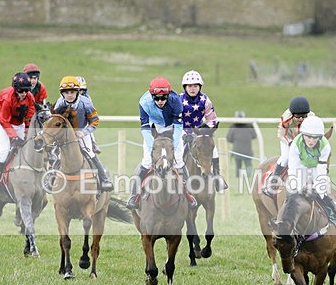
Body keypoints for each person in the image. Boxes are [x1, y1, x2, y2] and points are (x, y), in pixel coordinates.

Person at [126, 76, 197, 210]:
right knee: (146, 161)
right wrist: (151, 144)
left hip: (173, 128)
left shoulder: (176, 102)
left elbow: (178, 126)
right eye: (156, 98)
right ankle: (134, 196)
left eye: (163, 98)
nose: (160, 101)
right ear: (152, 96)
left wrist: (175, 146)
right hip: (154, 128)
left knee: (179, 162)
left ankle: (189, 194)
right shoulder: (144, 102)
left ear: (168, 95)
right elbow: (145, 127)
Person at [286, 115, 336, 233]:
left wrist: (317, 188)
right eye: (308, 137)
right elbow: (294, 168)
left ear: (320, 137)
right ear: (303, 134)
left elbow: (321, 169)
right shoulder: (296, 144)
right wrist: (299, 189)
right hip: (301, 166)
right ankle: (284, 224)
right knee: (293, 193)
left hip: (317, 167)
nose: (311, 141)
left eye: (315, 138)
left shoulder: (325, 145)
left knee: (322, 193)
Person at [52, 75, 113, 191]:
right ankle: (51, 178)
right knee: (58, 155)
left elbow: (95, 121)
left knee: (90, 153)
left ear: (77, 92)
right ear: (62, 93)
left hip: (82, 132)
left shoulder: (86, 103)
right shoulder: (59, 104)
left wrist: (83, 133)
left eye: (72, 92)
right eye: (66, 92)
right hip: (65, 136)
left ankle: (104, 179)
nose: (69, 95)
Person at [179, 69, 227, 191]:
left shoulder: (205, 100)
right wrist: (184, 134)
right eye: (189, 86)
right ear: (185, 87)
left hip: (200, 133)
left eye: (195, 86)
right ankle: (176, 179)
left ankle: (217, 177)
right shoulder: (178, 100)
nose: (192, 88)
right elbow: (175, 119)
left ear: (200, 86)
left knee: (213, 150)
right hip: (181, 132)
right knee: (176, 152)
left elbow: (212, 119)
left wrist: (208, 130)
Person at [0, 72, 35, 192]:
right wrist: (14, 137)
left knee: (25, 147)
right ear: (15, 89)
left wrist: (26, 132)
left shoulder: (30, 97)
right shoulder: (8, 99)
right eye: (21, 91)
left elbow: (29, 115)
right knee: (5, 148)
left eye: (26, 90)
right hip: (2, 121)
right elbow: (4, 120)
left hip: (18, 123)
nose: (24, 93)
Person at [262, 95, 314, 197]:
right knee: (286, 157)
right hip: (287, 138)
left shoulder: (312, 117)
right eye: (298, 116)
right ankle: (273, 181)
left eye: (303, 116)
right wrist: (290, 142)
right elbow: (282, 135)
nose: (300, 119)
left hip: (304, 140)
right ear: (292, 114)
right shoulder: (286, 118)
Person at [226, 110, 257, 179]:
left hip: (237, 151)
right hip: (248, 151)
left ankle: (238, 178)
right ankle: (248, 178)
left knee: (238, 166)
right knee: (248, 165)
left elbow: (229, 139)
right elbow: (254, 136)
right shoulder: (249, 126)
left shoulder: (233, 127)